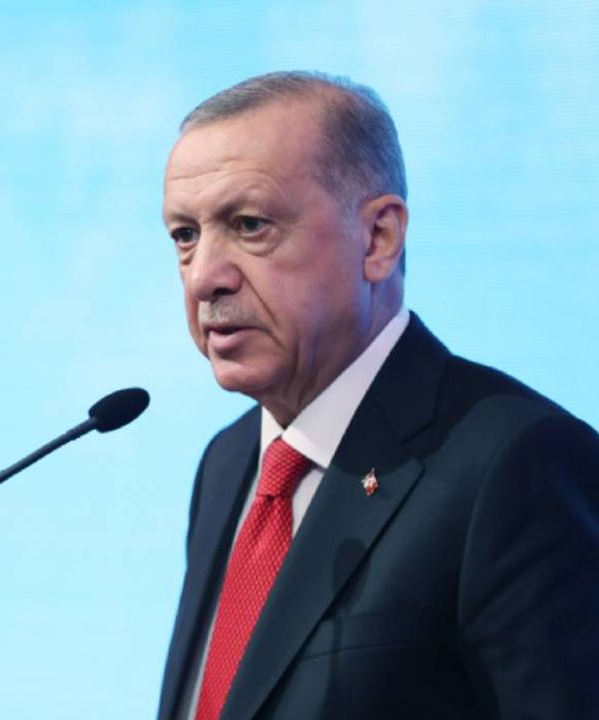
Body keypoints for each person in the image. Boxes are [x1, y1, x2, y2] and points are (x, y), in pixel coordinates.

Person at [155, 71, 599, 720]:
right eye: (185, 236)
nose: (203, 278)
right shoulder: (227, 464)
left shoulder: (515, 463)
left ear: (378, 239)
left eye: (249, 225)